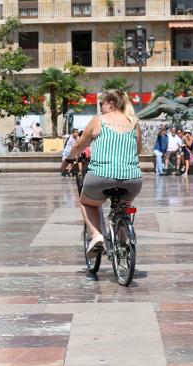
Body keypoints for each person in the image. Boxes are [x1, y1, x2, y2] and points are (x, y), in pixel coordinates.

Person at [69, 90, 142, 257]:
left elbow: (80, 145)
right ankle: (124, 240)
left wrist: (69, 158)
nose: (100, 107)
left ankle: (96, 236)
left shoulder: (98, 121)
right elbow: (138, 150)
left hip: (101, 177)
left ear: (110, 103)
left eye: (101, 103)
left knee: (86, 202)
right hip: (133, 179)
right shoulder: (133, 121)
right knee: (125, 206)